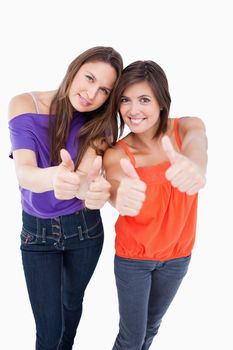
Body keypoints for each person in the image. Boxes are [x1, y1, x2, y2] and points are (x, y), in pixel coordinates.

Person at [8, 46, 123, 350]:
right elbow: (25, 172)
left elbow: (85, 178)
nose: (91, 93)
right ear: (75, 68)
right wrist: (53, 178)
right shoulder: (24, 103)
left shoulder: (101, 123)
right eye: (88, 78)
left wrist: (90, 190)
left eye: (103, 90)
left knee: (71, 307)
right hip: (37, 234)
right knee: (48, 330)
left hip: (83, 231)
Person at [103, 60, 208, 350]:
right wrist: (118, 195)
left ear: (162, 101)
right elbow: (114, 185)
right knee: (131, 337)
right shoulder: (116, 153)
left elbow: (198, 144)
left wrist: (195, 165)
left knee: (151, 328)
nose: (133, 110)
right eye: (125, 100)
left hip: (178, 256)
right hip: (134, 259)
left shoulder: (187, 127)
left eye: (144, 100)